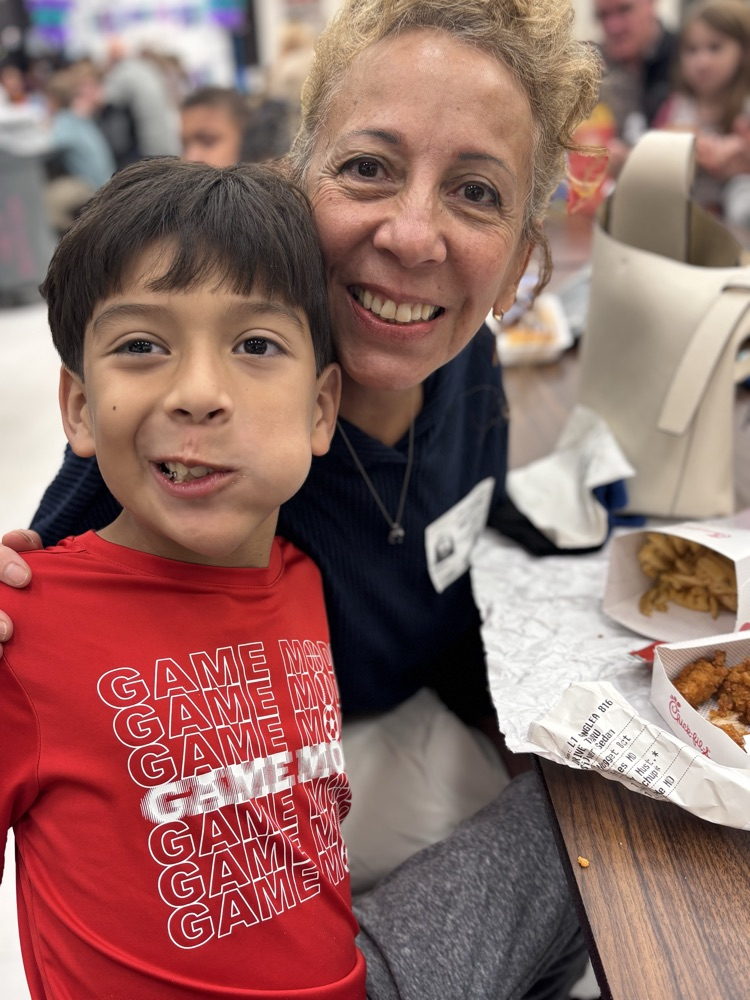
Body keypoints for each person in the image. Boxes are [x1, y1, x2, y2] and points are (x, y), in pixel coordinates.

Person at [0, 0, 602, 894]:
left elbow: (452, 549)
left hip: (436, 720)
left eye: (476, 191)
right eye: (367, 168)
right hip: (275, 820)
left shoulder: (471, 365)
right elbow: (43, 579)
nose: (410, 234)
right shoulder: (207, 424)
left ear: (519, 262)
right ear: (294, 183)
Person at [653, 0, 750, 217]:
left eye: (715, 47)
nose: (702, 61)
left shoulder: (746, 107)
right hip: (687, 212)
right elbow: (653, 149)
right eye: (691, 50)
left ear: (743, 51)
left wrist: (741, 156)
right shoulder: (676, 105)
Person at [594, 0, 678, 174]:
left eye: (625, 10)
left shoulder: (688, 57)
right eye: (603, 15)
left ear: (652, 5)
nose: (613, 27)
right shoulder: (591, 66)